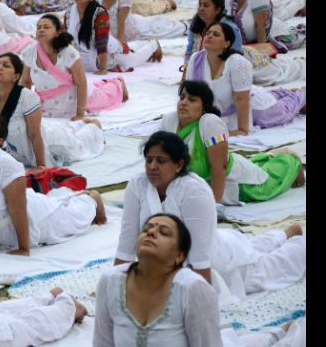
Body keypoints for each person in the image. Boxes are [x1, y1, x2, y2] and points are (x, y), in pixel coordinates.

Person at [115, 131, 307, 303]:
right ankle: (283, 234)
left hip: (215, 262)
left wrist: (199, 301)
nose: (152, 167)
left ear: (179, 165)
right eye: (149, 160)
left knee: (269, 270)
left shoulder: (193, 190)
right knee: (252, 245)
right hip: (168, 264)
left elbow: (200, 255)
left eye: (161, 161)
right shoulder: (138, 184)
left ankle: (297, 240)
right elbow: (127, 239)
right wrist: (114, 285)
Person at [0, 113, 107, 255]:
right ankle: (74, 196)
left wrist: (24, 247)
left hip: (34, 219)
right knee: (56, 202)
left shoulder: (5, 164)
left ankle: (91, 199)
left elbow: (18, 209)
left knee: (73, 218)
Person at [160, 80, 305, 204]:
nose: (184, 102)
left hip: (233, 182)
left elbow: (219, 168)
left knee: (265, 188)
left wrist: (214, 206)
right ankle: (269, 157)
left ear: (204, 107)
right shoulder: (169, 121)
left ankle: (291, 160)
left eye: (192, 100)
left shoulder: (210, 123)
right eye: (182, 97)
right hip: (196, 184)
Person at [95, 212, 223, 345]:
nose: (151, 232)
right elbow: (102, 342)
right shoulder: (111, 281)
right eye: (146, 229)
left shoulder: (193, 289)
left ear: (179, 256)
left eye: (164, 232)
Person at [0, 53, 104, 169]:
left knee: (78, 146)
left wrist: (41, 166)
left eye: (5, 66)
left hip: (49, 142)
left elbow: (35, 135)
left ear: (16, 76)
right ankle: (81, 123)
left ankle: (94, 126)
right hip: (20, 148)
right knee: (68, 130)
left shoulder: (27, 97)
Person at [185, 22, 306, 134]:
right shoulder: (196, 59)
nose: (209, 36)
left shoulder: (238, 63)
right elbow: (190, 91)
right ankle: (283, 92)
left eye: (215, 34)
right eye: (208, 33)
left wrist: (242, 129)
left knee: (277, 114)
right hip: (229, 104)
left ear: (226, 43)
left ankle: (301, 94)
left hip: (251, 106)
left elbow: (242, 99)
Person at [22, 15, 127, 120]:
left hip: (75, 99)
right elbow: (26, 82)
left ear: (58, 32)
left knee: (106, 98)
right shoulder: (29, 52)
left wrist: (80, 114)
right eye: (39, 27)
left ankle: (118, 82)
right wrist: (27, 110)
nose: (41, 30)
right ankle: (102, 83)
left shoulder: (68, 52)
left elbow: (81, 83)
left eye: (46, 27)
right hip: (46, 106)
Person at [95, 0, 175, 69]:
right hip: (106, 34)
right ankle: (149, 43)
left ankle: (153, 43)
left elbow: (121, 21)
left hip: (126, 32)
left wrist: (120, 41)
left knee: (127, 59)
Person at [183, 0, 243, 78]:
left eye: (206, 5)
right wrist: (185, 74)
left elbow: (236, 57)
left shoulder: (230, 28)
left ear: (218, 10)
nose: (201, 8)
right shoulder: (196, 24)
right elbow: (190, 49)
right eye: (200, 5)